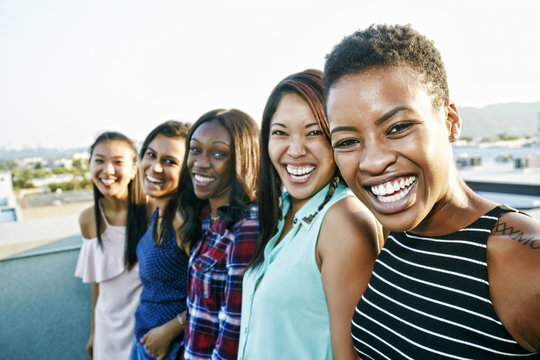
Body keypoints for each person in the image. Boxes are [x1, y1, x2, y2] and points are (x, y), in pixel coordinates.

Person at [324, 24, 540, 359]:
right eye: (348, 141)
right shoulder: (395, 234)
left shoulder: (521, 257)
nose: (373, 161)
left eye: (398, 128)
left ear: (451, 121)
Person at [237, 69, 383, 360]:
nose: (295, 150)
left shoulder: (343, 221)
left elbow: (350, 356)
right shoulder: (284, 211)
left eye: (314, 132)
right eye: (280, 133)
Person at [178, 109, 260, 360]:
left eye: (218, 153)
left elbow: (233, 334)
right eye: (195, 149)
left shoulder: (246, 227)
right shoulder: (205, 218)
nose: (200, 163)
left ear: (243, 159)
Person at [75, 131, 147, 360]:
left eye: (118, 162)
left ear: (134, 169)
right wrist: (94, 333)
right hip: (107, 332)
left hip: (144, 332)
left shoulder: (153, 211)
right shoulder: (87, 219)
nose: (107, 170)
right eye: (99, 161)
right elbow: (98, 284)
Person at [130, 120, 191, 360]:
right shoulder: (157, 212)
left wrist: (170, 330)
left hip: (170, 347)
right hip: (144, 341)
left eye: (169, 162)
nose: (155, 167)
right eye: (151, 155)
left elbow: (214, 294)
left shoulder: (181, 219)